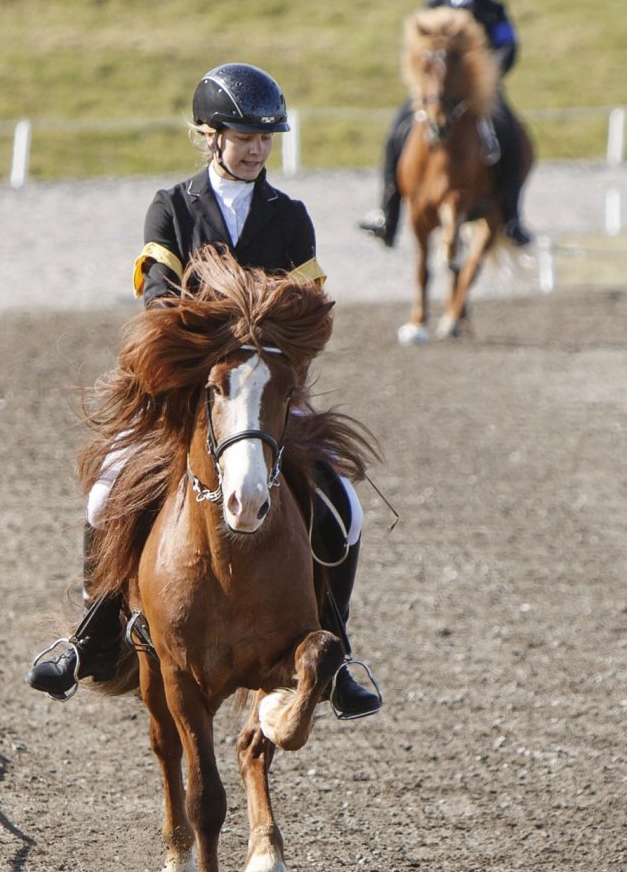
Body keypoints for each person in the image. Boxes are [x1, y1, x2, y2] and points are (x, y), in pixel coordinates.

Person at [25, 63, 382, 719]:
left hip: (266, 391)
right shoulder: (172, 206)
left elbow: (306, 306)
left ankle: (340, 651)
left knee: (347, 506)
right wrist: (221, 335)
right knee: (108, 490)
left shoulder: (290, 217)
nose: (255, 148)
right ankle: (90, 633)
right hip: (188, 392)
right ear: (210, 136)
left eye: (265, 138)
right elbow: (159, 300)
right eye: (243, 135)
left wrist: (270, 346)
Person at [358, 0, 532, 248]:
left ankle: (512, 216)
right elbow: (416, 48)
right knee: (397, 130)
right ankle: (387, 213)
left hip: (479, 92)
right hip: (436, 93)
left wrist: (491, 75)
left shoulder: (493, 9)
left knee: (510, 133)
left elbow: (508, 45)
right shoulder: (432, 7)